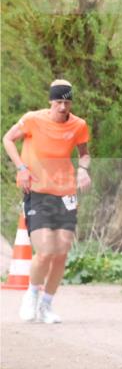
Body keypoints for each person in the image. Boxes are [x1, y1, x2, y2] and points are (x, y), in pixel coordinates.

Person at [3, 80, 91, 323]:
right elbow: (8, 139)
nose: (63, 107)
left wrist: (83, 169)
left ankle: (47, 305)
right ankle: (31, 294)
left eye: (67, 102)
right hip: (38, 191)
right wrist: (21, 168)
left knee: (61, 253)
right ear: (50, 101)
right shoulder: (33, 119)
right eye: (58, 102)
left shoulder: (79, 125)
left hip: (66, 192)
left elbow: (84, 154)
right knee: (45, 251)